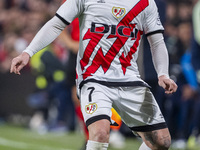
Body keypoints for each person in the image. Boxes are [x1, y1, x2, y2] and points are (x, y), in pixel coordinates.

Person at [10, 0, 178, 149]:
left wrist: (163, 74)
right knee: (100, 134)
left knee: (162, 141)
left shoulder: (146, 3)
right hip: (93, 77)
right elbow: (56, 24)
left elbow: (156, 41)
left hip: (129, 78)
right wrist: (28, 52)